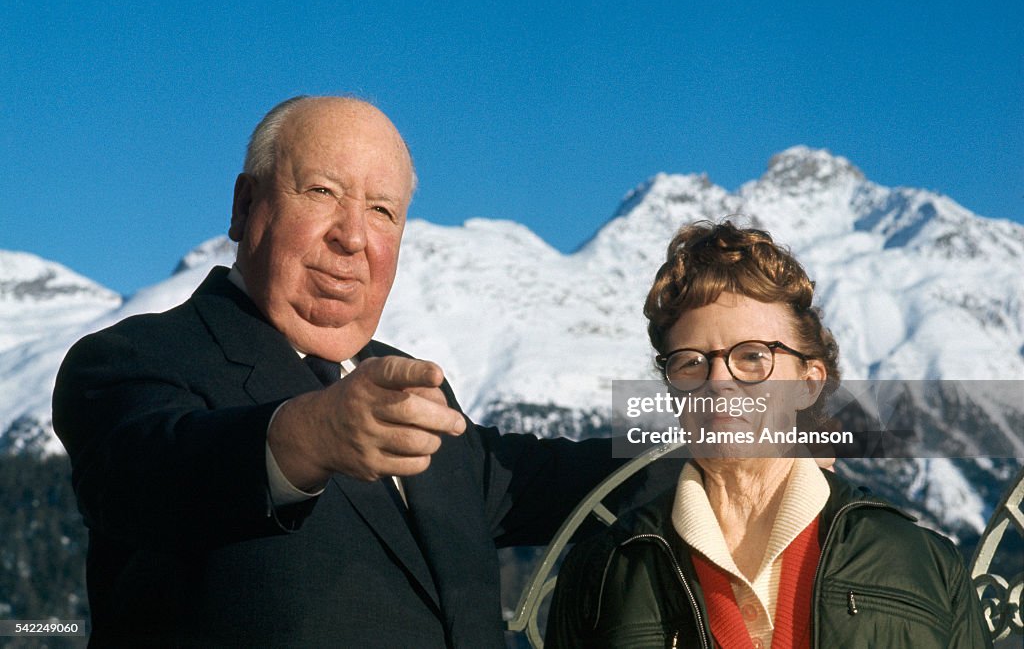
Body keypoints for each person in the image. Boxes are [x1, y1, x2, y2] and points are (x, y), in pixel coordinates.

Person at [52, 96, 622, 647]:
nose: (352, 237)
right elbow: (150, 476)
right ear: (245, 206)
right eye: (322, 192)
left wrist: (701, 409)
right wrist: (306, 437)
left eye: (382, 210)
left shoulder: (415, 390)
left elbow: (571, 478)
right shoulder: (132, 358)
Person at [546, 221, 991, 648]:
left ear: (808, 382)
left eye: (753, 356)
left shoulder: (921, 562)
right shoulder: (605, 571)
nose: (718, 380)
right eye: (689, 361)